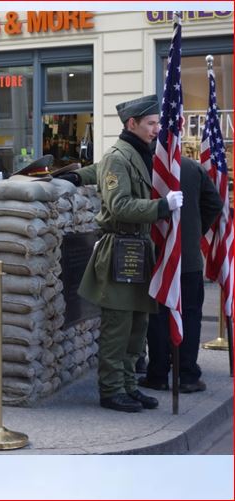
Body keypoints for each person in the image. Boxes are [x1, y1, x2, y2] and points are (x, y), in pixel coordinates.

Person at [78, 95, 184, 413]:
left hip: (139, 247)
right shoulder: (119, 157)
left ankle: (128, 385)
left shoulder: (142, 153)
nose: (157, 129)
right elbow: (119, 205)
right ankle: (111, 390)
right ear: (132, 124)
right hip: (120, 247)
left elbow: (94, 173)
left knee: (138, 326)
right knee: (118, 326)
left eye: (157, 123)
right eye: (151, 124)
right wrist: (162, 207)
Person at [139, 155, 222, 393]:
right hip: (186, 255)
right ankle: (186, 374)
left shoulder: (146, 164)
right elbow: (214, 204)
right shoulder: (191, 166)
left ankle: (158, 373)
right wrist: (195, 231)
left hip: (158, 254)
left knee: (157, 315)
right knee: (190, 315)